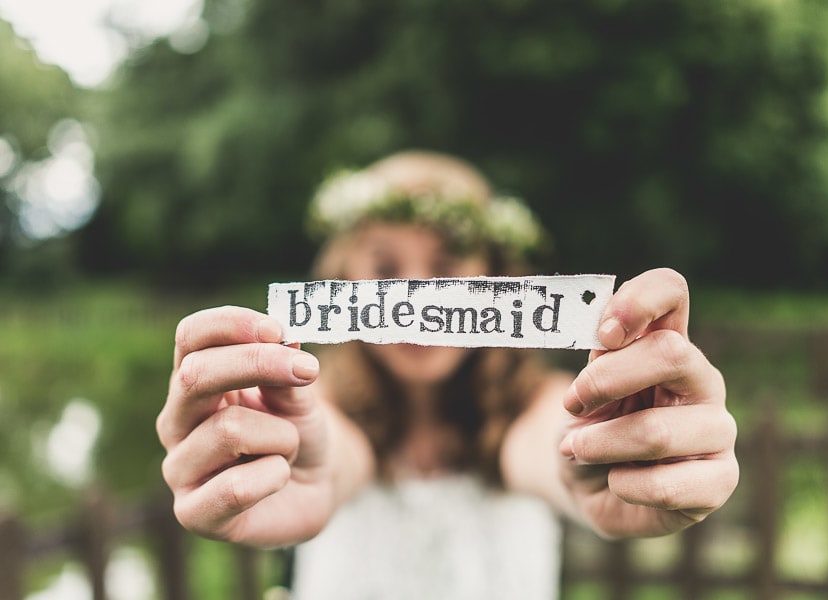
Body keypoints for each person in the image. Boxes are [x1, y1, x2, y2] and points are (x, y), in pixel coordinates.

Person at [156, 150, 739, 599]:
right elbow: (330, 453)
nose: (420, 297)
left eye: (447, 265)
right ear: (342, 278)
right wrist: (278, 464)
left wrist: (603, 457)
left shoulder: (539, 401)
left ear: (493, 275)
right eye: (385, 268)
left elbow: (552, 446)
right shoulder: (309, 398)